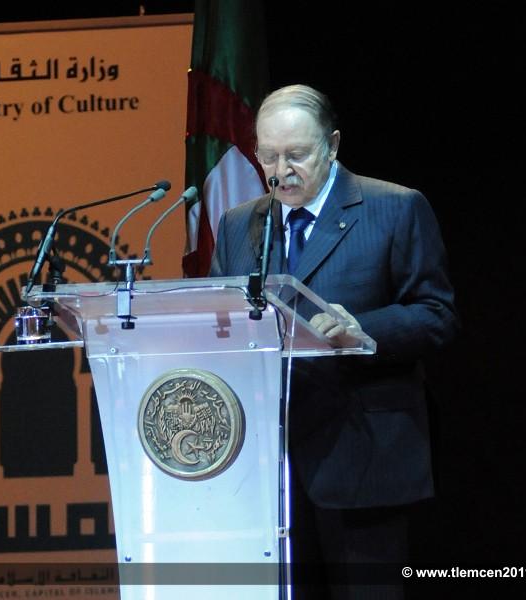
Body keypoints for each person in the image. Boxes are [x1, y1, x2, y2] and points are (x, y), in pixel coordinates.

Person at [209, 84, 459, 599]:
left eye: (297, 155)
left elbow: (438, 315)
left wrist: (363, 332)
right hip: (263, 471)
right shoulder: (239, 224)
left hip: (363, 460)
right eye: (269, 156)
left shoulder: (395, 208)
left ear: (333, 144)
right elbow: (222, 320)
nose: (281, 171)